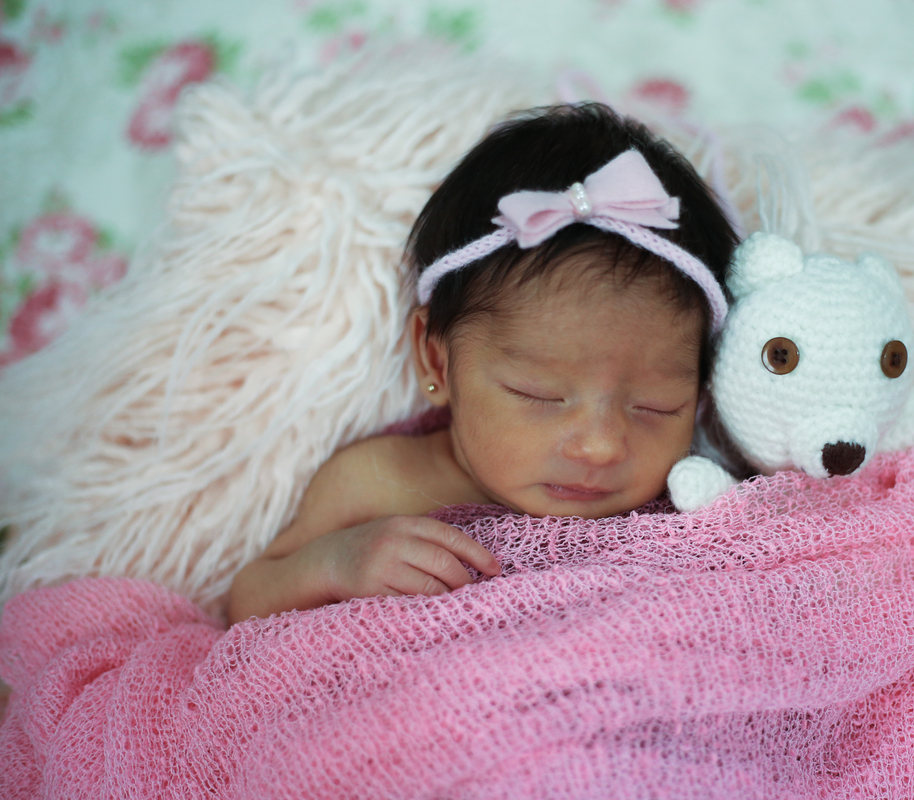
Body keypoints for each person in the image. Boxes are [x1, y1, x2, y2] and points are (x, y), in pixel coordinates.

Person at [227, 103, 739, 624]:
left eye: (655, 407)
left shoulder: (693, 500)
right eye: (539, 395)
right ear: (436, 360)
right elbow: (247, 602)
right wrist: (336, 564)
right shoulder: (376, 481)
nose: (601, 446)